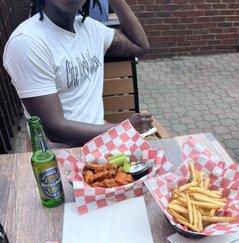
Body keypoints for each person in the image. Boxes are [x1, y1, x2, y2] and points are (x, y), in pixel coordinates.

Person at [3, 0, 152, 148]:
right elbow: (54, 130)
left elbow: (140, 46)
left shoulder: (90, 28)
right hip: (60, 156)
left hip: (102, 142)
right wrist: (122, 129)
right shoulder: (27, 42)